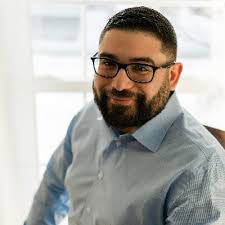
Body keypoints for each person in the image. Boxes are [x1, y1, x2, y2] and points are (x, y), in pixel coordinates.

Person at [25, 6, 225, 225]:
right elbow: (52, 191)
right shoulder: (88, 117)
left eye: (140, 67)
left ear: (173, 76)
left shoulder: (201, 170)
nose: (119, 85)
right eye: (108, 63)